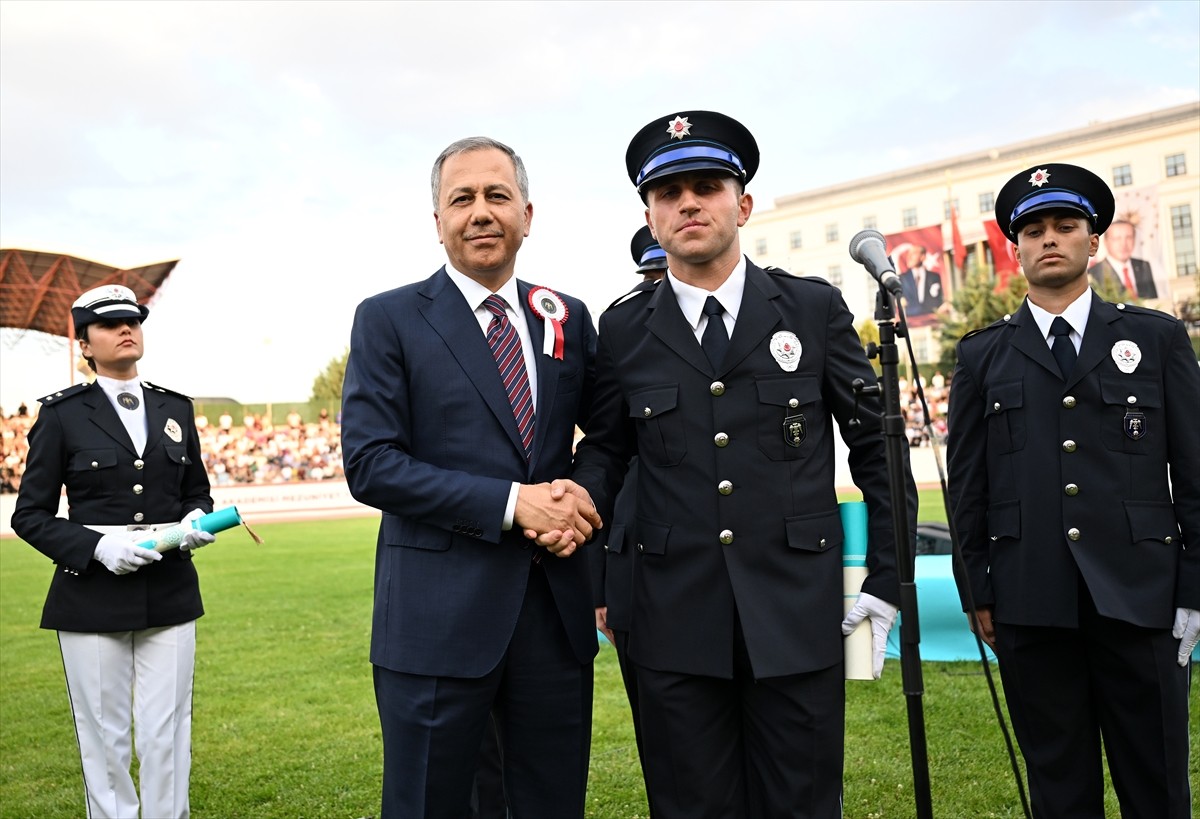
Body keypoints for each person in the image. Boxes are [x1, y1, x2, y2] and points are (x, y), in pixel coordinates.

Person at [569, 111, 916, 817]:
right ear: (649, 213)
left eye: (706, 185)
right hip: (669, 623)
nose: (688, 203)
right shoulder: (625, 327)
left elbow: (877, 445)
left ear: (744, 204)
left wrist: (887, 576)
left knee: (804, 803)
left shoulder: (811, 308)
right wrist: (572, 504)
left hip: (795, 615)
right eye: (668, 193)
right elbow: (607, 450)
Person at [341, 135, 601, 818]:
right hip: (435, 624)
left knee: (550, 803)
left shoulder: (567, 316)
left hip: (554, 618)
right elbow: (370, 464)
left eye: (497, 195)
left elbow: (608, 438)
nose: (481, 212)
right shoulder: (388, 318)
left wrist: (581, 495)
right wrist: (516, 504)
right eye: (462, 198)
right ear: (437, 222)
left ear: (527, 213)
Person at [947, 163, 1198, 818]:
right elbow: (968, 487)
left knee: (1159, 784)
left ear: (1094, 239)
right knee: (1059, 789)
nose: (1048, 238)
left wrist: (1194, 588)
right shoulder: (982, 356)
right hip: (1032, 600)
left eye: (1065, 225)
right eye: (1033, 229)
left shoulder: (1156, 338)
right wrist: (979, 588)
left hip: (1143, 597)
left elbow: (1195, 473)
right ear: (1014, 247)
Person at [11, 284, 215, 819]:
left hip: (168, 587)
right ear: (84, 345)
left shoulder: (176, 408)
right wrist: (98, 546)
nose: (126, 329)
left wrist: (194, 519)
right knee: (104, 739)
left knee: (166, 732)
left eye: (133, 321)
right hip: (92, 594)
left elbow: (196, 490)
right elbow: (28, 516)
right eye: (109, 324)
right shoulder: (62, 414)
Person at [588, 224, 668, 810]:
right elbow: (601, 462)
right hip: (637, 572)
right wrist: (598, 589)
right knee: (667, 753)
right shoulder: (620, 333)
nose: (663, 286)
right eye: (652, 278)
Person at [1088, 218, 1158, 299]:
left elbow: (1153, 300)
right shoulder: (1093, 273)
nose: (1123, 244)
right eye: (1117, 238)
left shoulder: (1144, 266)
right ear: (1106, 242)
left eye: (1128, 237)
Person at [898, 244, 944, 316]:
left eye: (914, 254)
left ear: (923, 257)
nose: (909, 257)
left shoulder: (934, 277)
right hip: (912, 321)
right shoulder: (902, 279)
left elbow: (939, 299)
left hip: (931, 318)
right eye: (909, 254)